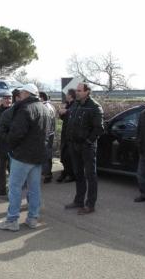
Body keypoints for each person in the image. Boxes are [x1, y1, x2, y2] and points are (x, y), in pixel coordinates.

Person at [0, 84, 49, 232]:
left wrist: (9, 143)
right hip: (37, 155)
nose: (19, 95)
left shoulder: (25, 109)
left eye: (21, 93)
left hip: (22, 155)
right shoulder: (44, 108)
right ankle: (33, 218)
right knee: (34, 189)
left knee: (15, 188)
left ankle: (12, 219)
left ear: (27, 93)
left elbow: (16, 134)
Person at [64, 83, 104, 215]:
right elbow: (71, 122)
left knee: (90, 176)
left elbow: (99, 129)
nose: (77, 92)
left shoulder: (94, 107)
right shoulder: (75, 104)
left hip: (87, 147)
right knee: (78, 174)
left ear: (87, 92)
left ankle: (90, 204)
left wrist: (88, 142)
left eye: (80, 90)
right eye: (76, 90)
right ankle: (79, 200)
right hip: (74, 145)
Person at [56, 89, 76, 183]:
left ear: (70, 95)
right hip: (65, 132)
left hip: (71, 134)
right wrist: (61, 113)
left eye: (67, 94)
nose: (66, 95)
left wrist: (66, 111)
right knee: (63, 155)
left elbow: (74, 114)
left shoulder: (75, 104)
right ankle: (64, 172)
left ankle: (71, 174)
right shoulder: (68, 104)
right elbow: (64, 118)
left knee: (69, 155)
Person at [39, 92, 57, 183]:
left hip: (45, 134)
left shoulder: (43, 107)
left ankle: (47, 174)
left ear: (41, 98)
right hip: (51, 133)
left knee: (45, 154)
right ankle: (47, 173)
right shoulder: (51, 106)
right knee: (48, 153)